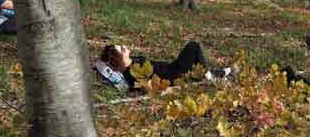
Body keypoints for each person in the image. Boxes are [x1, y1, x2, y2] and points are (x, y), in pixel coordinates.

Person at [96, 41, 231, 91]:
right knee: (193, 46)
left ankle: (213, 73)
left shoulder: (132, 64)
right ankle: (208, 75)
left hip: (171, 68)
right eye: (123, 50)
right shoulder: (132, 73)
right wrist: (170, 89)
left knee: (195, 61)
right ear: (120, 60)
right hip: (173, 74)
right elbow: (150, 87)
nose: (125, 47)